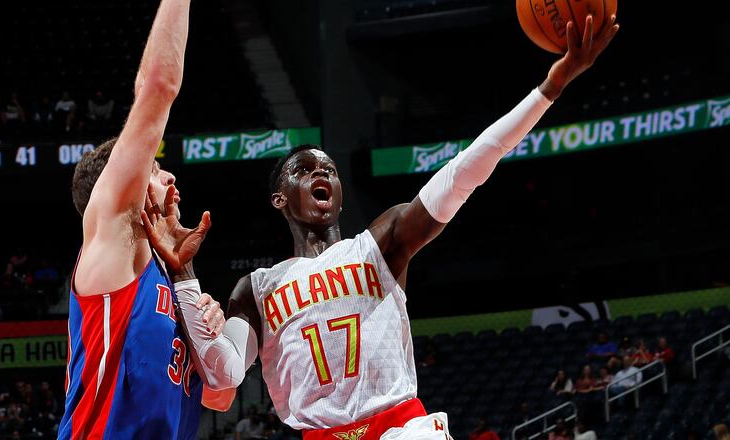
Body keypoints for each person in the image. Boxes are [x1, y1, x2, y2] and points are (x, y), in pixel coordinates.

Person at [169, 13, 619, 440]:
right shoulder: (256, 289)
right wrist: (184, 273)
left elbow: (464, 173)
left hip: (401, 428)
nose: (321, 173)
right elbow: (223, 376)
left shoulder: (379, 244)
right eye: (304, 169)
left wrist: (549, 87)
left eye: (329, 169)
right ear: (279, 198)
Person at [58, 0, 226, 438]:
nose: (168, 173)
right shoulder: (110, 242)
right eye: (153, 168)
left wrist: (202, 316)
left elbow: (220, 396)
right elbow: (158, 85)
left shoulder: (171, 281)